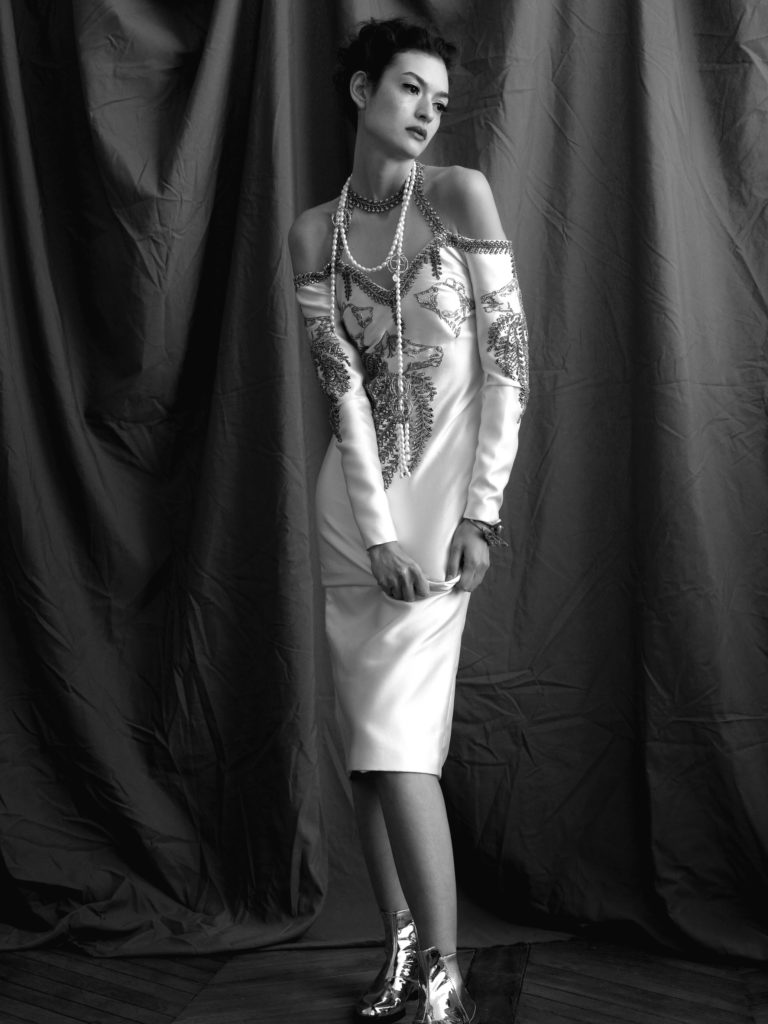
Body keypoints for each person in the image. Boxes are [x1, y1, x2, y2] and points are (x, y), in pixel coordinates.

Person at [289, 18, 529, 1024]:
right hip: (357, 514)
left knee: (398, 742)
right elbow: (342, 397)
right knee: (368, 743)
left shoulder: (460, 196)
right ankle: (399, 951)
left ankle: (444, 972)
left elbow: (509, 366)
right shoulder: (314, 234)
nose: (430, 109)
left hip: (443, 513)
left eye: (440, 96)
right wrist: (375, 532)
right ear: (362, 92)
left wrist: (483, 516)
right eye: (409, 88)